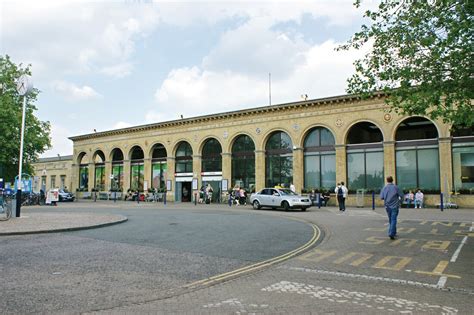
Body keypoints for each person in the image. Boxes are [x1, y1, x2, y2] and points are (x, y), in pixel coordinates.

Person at [380, 176, 404, 240]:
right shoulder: (396, 187)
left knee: (391, 219)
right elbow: (402, 196)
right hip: (395, 206)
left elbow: (381, 197)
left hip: (387, 206)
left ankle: (393, 231)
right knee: (394, 219)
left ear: (387, 180)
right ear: (392, 180)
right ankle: (391, 233)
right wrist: (400, 202)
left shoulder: (384, 188)